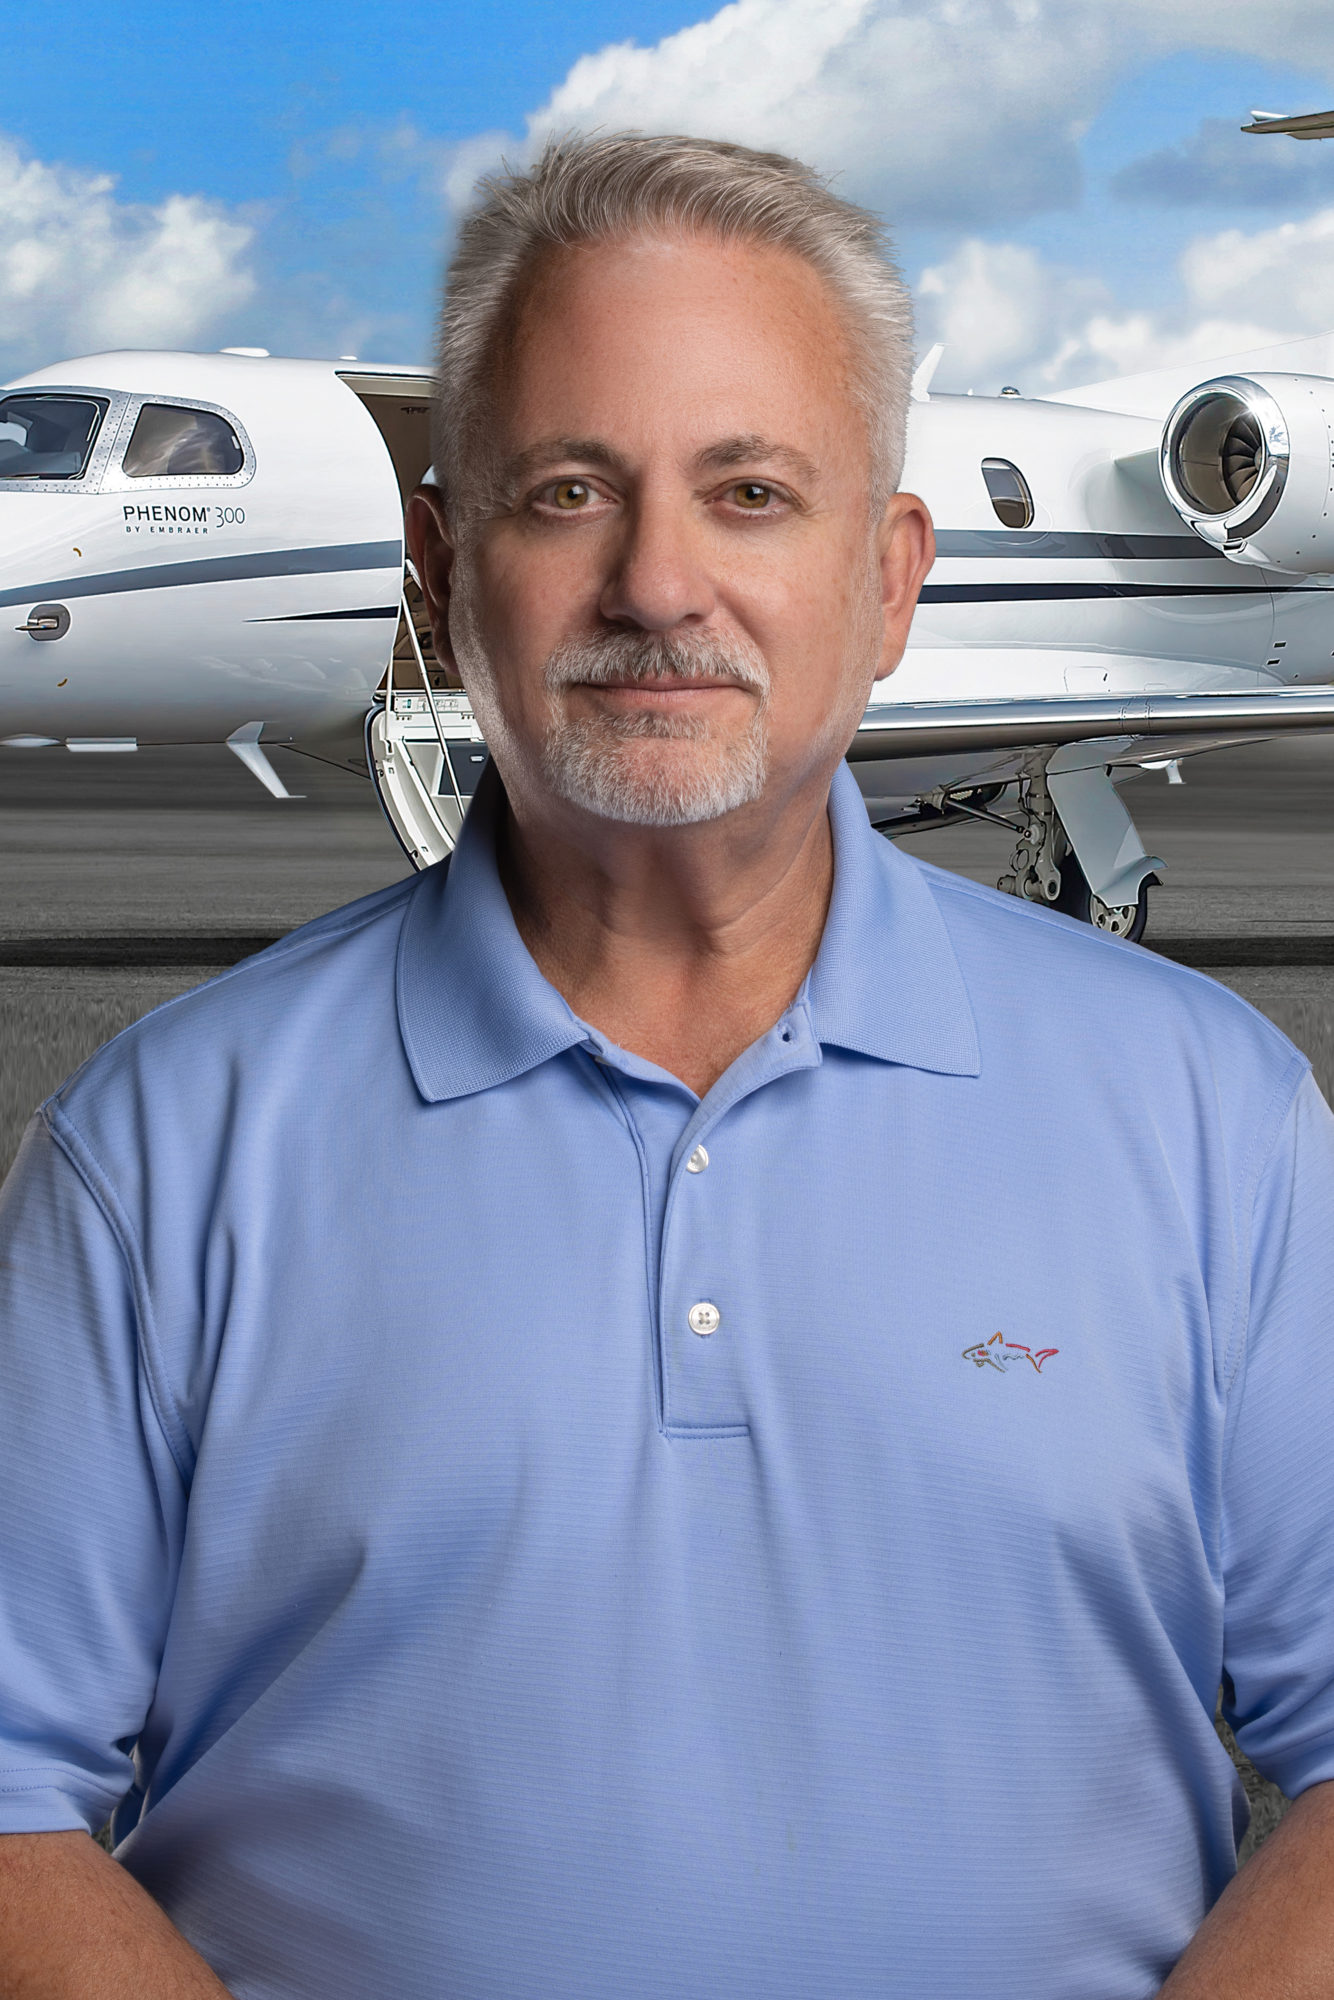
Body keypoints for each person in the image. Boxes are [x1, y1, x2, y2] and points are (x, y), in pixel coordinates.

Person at [1, 133, 1333, 2000]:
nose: (655, 581)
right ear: (440, 567)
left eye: (750, 492)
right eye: (567, 492)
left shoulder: (1213, 1117)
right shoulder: (157, 1146)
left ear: (891, 580)